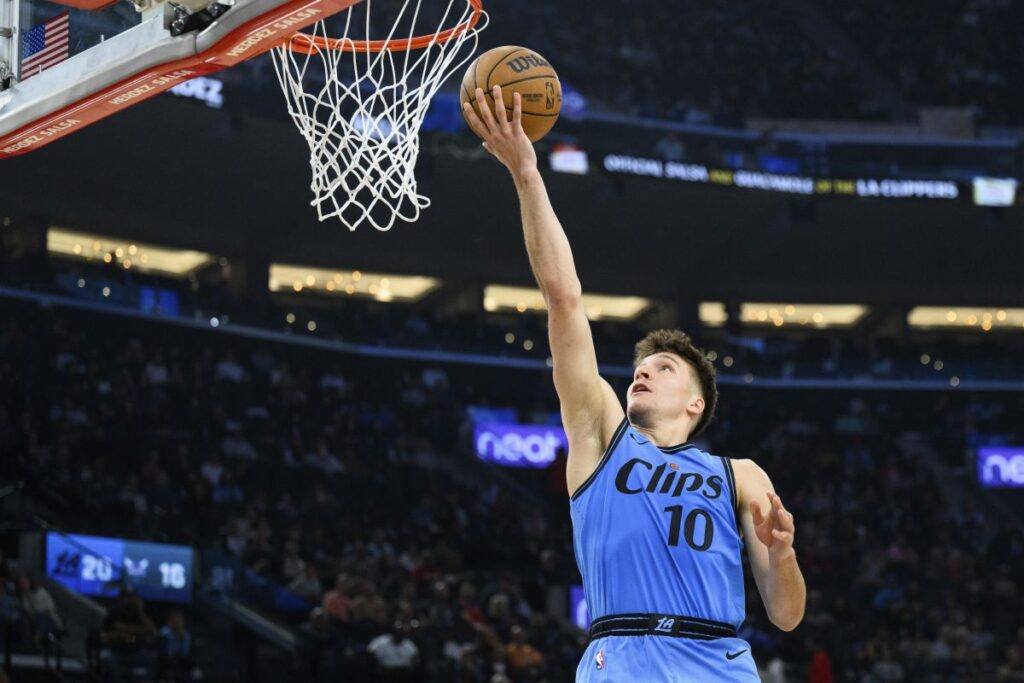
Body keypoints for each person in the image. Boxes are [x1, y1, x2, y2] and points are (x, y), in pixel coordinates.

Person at [463, 85, 806, 681]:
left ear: (696, 403)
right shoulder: (600, 434)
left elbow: (785, 615)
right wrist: (526, 174)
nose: (642, 371)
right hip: (619, 656)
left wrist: (782, 553)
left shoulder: (740, 474)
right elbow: (564, 300)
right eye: (641, 367)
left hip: (718, 662)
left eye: (664, 368)